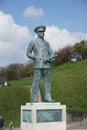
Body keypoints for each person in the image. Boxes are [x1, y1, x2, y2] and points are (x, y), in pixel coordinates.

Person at [26, 25, 56, 103]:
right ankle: (34, 99)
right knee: (36, 82)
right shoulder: (33, 42)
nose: (42, 33)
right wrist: (35, 57)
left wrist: (51, 58)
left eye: (43, 32)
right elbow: (28, 53)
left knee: (47, 82)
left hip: (47, 65)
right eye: (40, 32)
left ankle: (48, 97)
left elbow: (51, 53)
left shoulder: (47, 43)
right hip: (38, 65)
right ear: (37, 33)